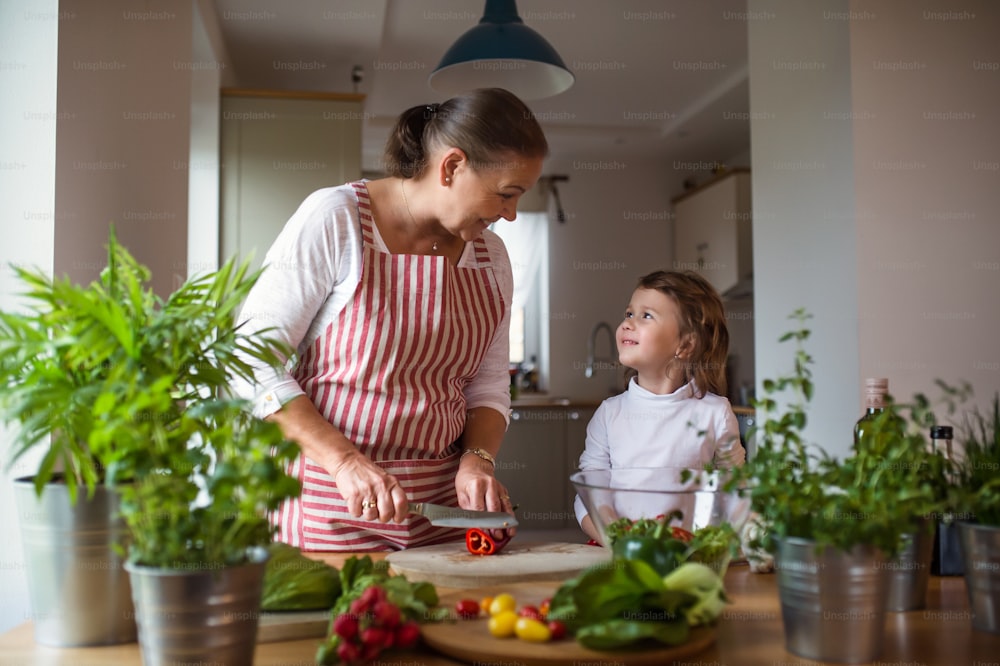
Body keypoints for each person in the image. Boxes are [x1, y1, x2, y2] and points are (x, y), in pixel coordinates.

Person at [231, 88, 547, 551]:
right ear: (452, 167)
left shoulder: (491, 256)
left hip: (440, 517)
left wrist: (478, 460)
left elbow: (488, 386)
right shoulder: (337, 218)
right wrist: (344, 463)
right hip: (332, 504)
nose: (511, 215)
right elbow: (252, 361)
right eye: (506, 195)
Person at [573, 270, 746, 543]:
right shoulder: (609, 414)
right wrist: (619, 540)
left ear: (685, 344)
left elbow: (736, 491)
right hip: (618, 553)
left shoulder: (715, 414)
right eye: (629, 313)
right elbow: (589, 495)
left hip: (686, 554)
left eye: (646, 316)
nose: (628, 323)